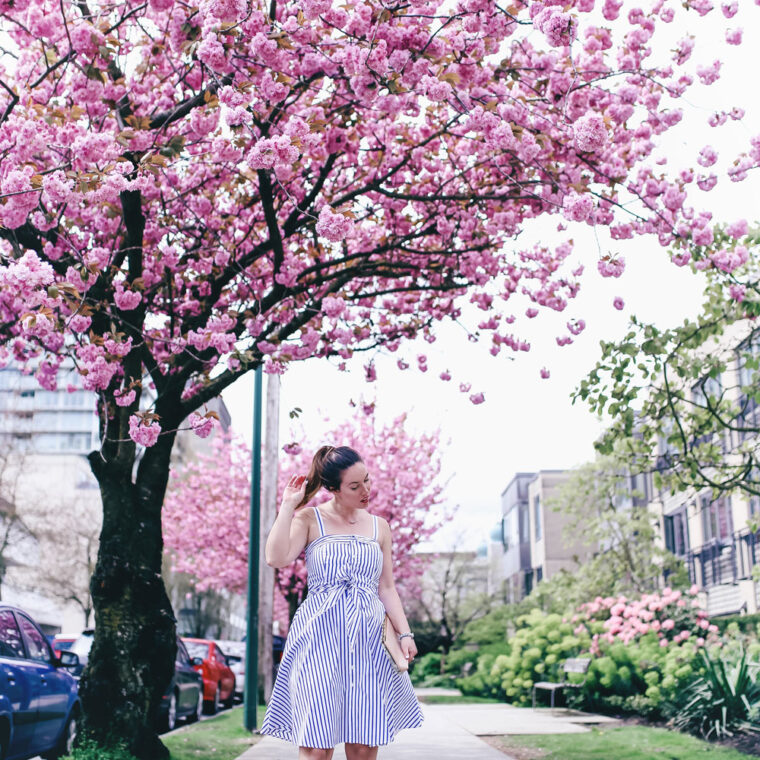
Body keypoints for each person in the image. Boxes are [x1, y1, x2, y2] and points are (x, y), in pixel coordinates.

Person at [261, 445, 424, 759]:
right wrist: (287, 508)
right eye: (355, 486)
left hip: (368, 639)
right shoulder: (310, 519)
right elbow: (275, 557)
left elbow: (387, 587)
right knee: (317, 747)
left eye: (367, 480)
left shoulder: (380, 527)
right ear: (332, 488)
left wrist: (405, 635)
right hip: (318, 636)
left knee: (363, 746)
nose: (366, 491)